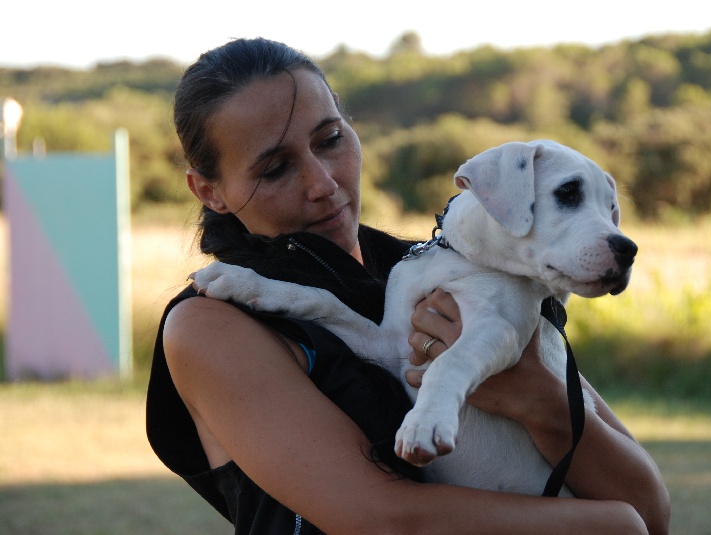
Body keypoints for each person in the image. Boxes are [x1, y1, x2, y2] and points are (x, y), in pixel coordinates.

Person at [146, 37, 670, 535]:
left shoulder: (435, 267)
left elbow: (652, 509)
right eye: (277, 168)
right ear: (209, 191)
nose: (323, 184)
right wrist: (611, 525)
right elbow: (382, 521)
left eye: (330, 140)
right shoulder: (211, 319)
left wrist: (541, 400)